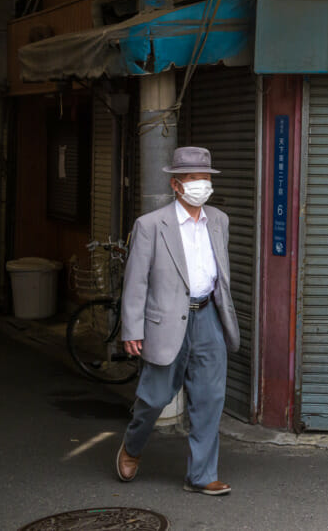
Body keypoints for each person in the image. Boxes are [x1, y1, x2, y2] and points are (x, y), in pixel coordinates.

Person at [115, 146, 240, 496]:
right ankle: (132, 446)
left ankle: (201, 476)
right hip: (165, 323)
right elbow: (136, 280)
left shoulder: (219, 220)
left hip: (209, 318)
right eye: (193, 179)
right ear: (176, 184)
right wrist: (132, 328)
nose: (202, 185)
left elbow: (220, 274)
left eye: (206, 178)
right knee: (154, 398)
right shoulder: (151, 225)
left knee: (209, 400)